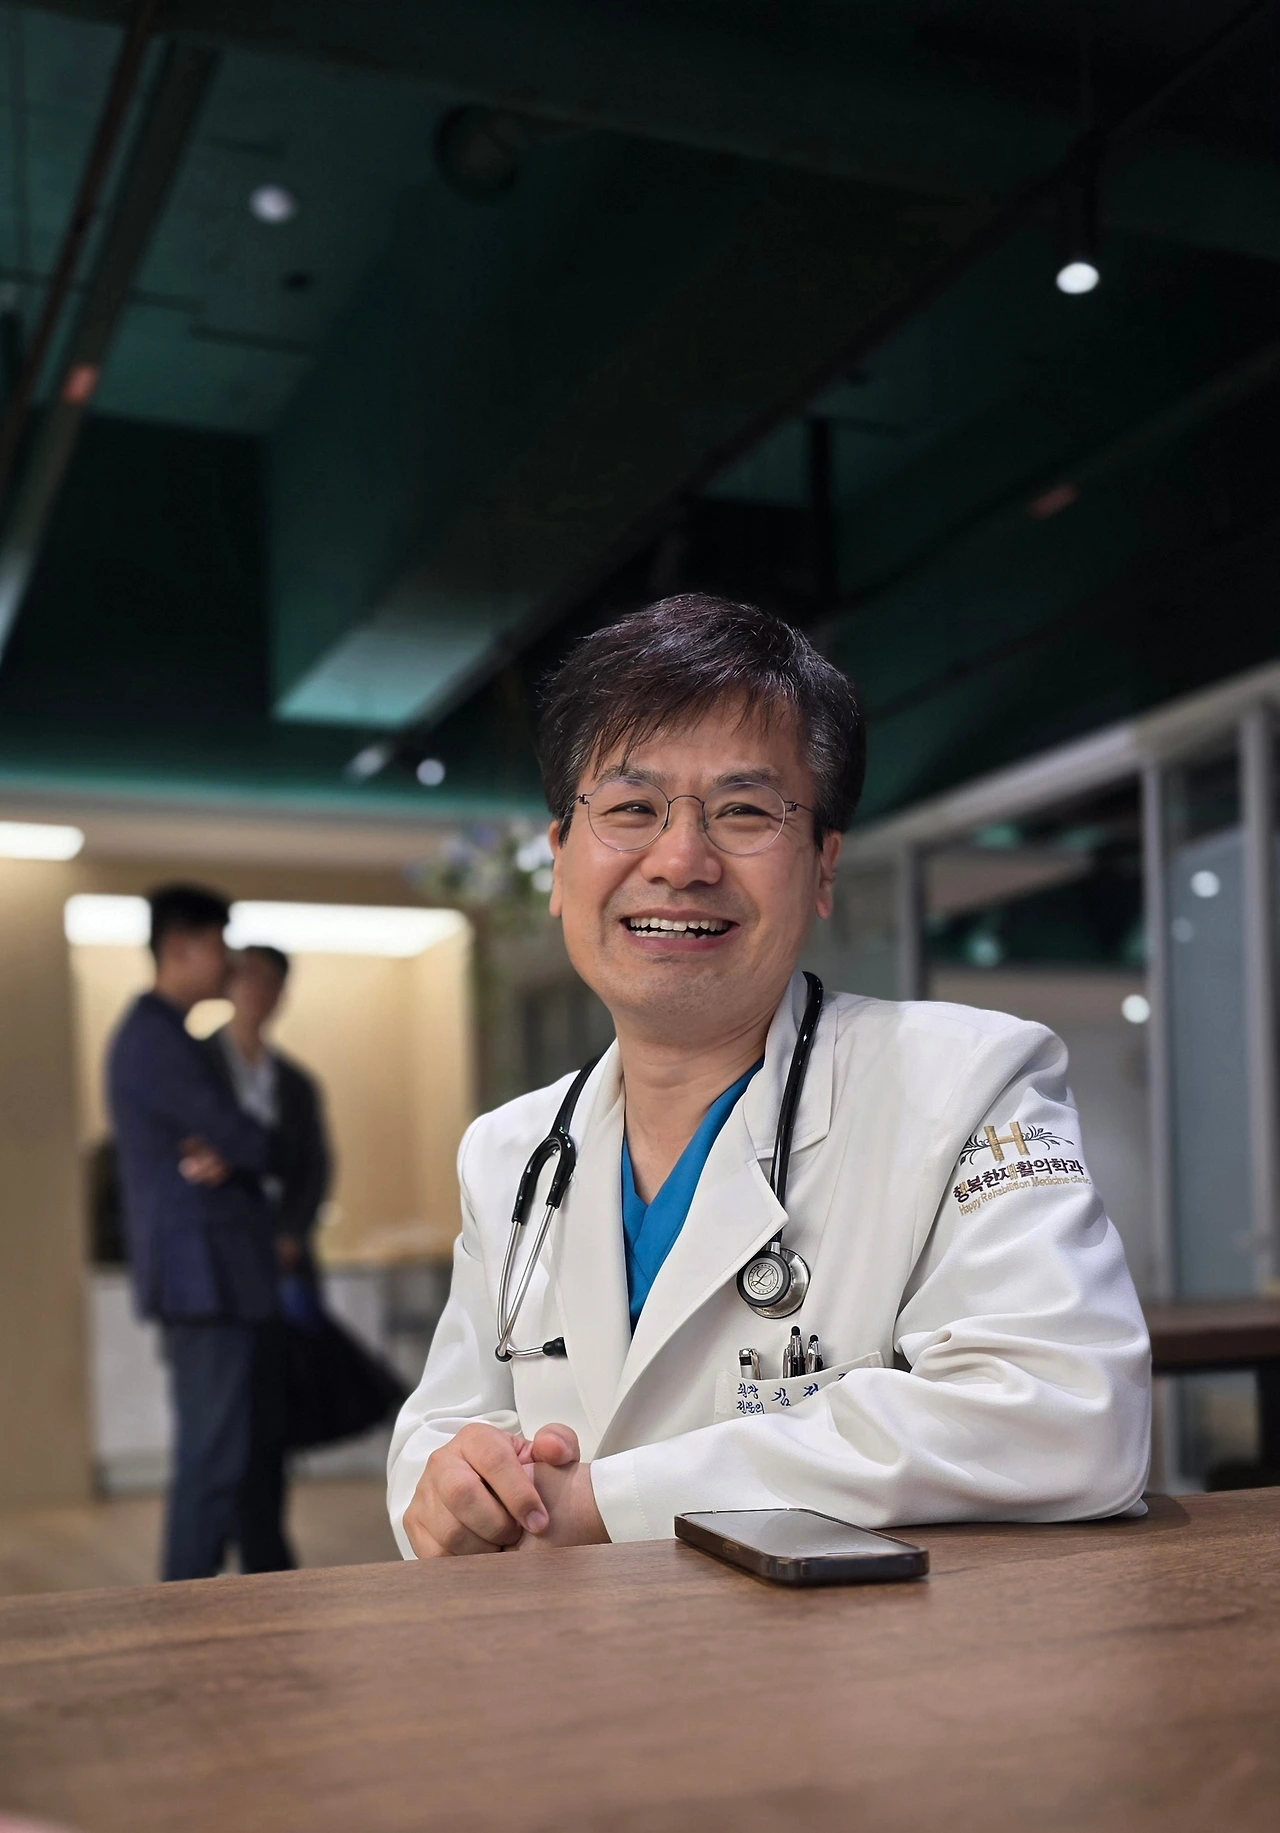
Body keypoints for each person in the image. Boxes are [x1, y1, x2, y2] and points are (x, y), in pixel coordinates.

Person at [388, 596, 1151, 1558]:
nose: (680, 860)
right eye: (630, 809)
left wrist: (608, 1502)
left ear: (823, 866)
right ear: (559, 859)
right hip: (564, 1653)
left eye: (744, 811)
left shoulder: (965, 1084)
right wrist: (452, 1490)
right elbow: (439, 1431)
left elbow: (1070, 1414)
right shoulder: (511, 1153)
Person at [107, 884, 281, 1580]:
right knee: (212, 1461)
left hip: (209, 1274)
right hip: (201, 1275)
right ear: (178, 947)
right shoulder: (156, 1038)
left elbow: (232, 1141)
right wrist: (240, 1147)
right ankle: (183, 1611)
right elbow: (246, 1138)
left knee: (221, 1455)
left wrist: (232, 1149)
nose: (228, 961)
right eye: (217, 945)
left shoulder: (163, 1034)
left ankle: (198, 1605)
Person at [201, 944, 333, 1565]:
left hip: (280, 1268)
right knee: (220, 1415)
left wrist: (289, 1234)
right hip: (217, 1269)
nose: (258, 991)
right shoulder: (197, 1065)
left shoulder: (296, 1084)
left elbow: (315, 1169)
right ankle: (212, 1545)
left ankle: (264, 1548)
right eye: (248, 978)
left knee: (272, 1415)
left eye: (270, 982)